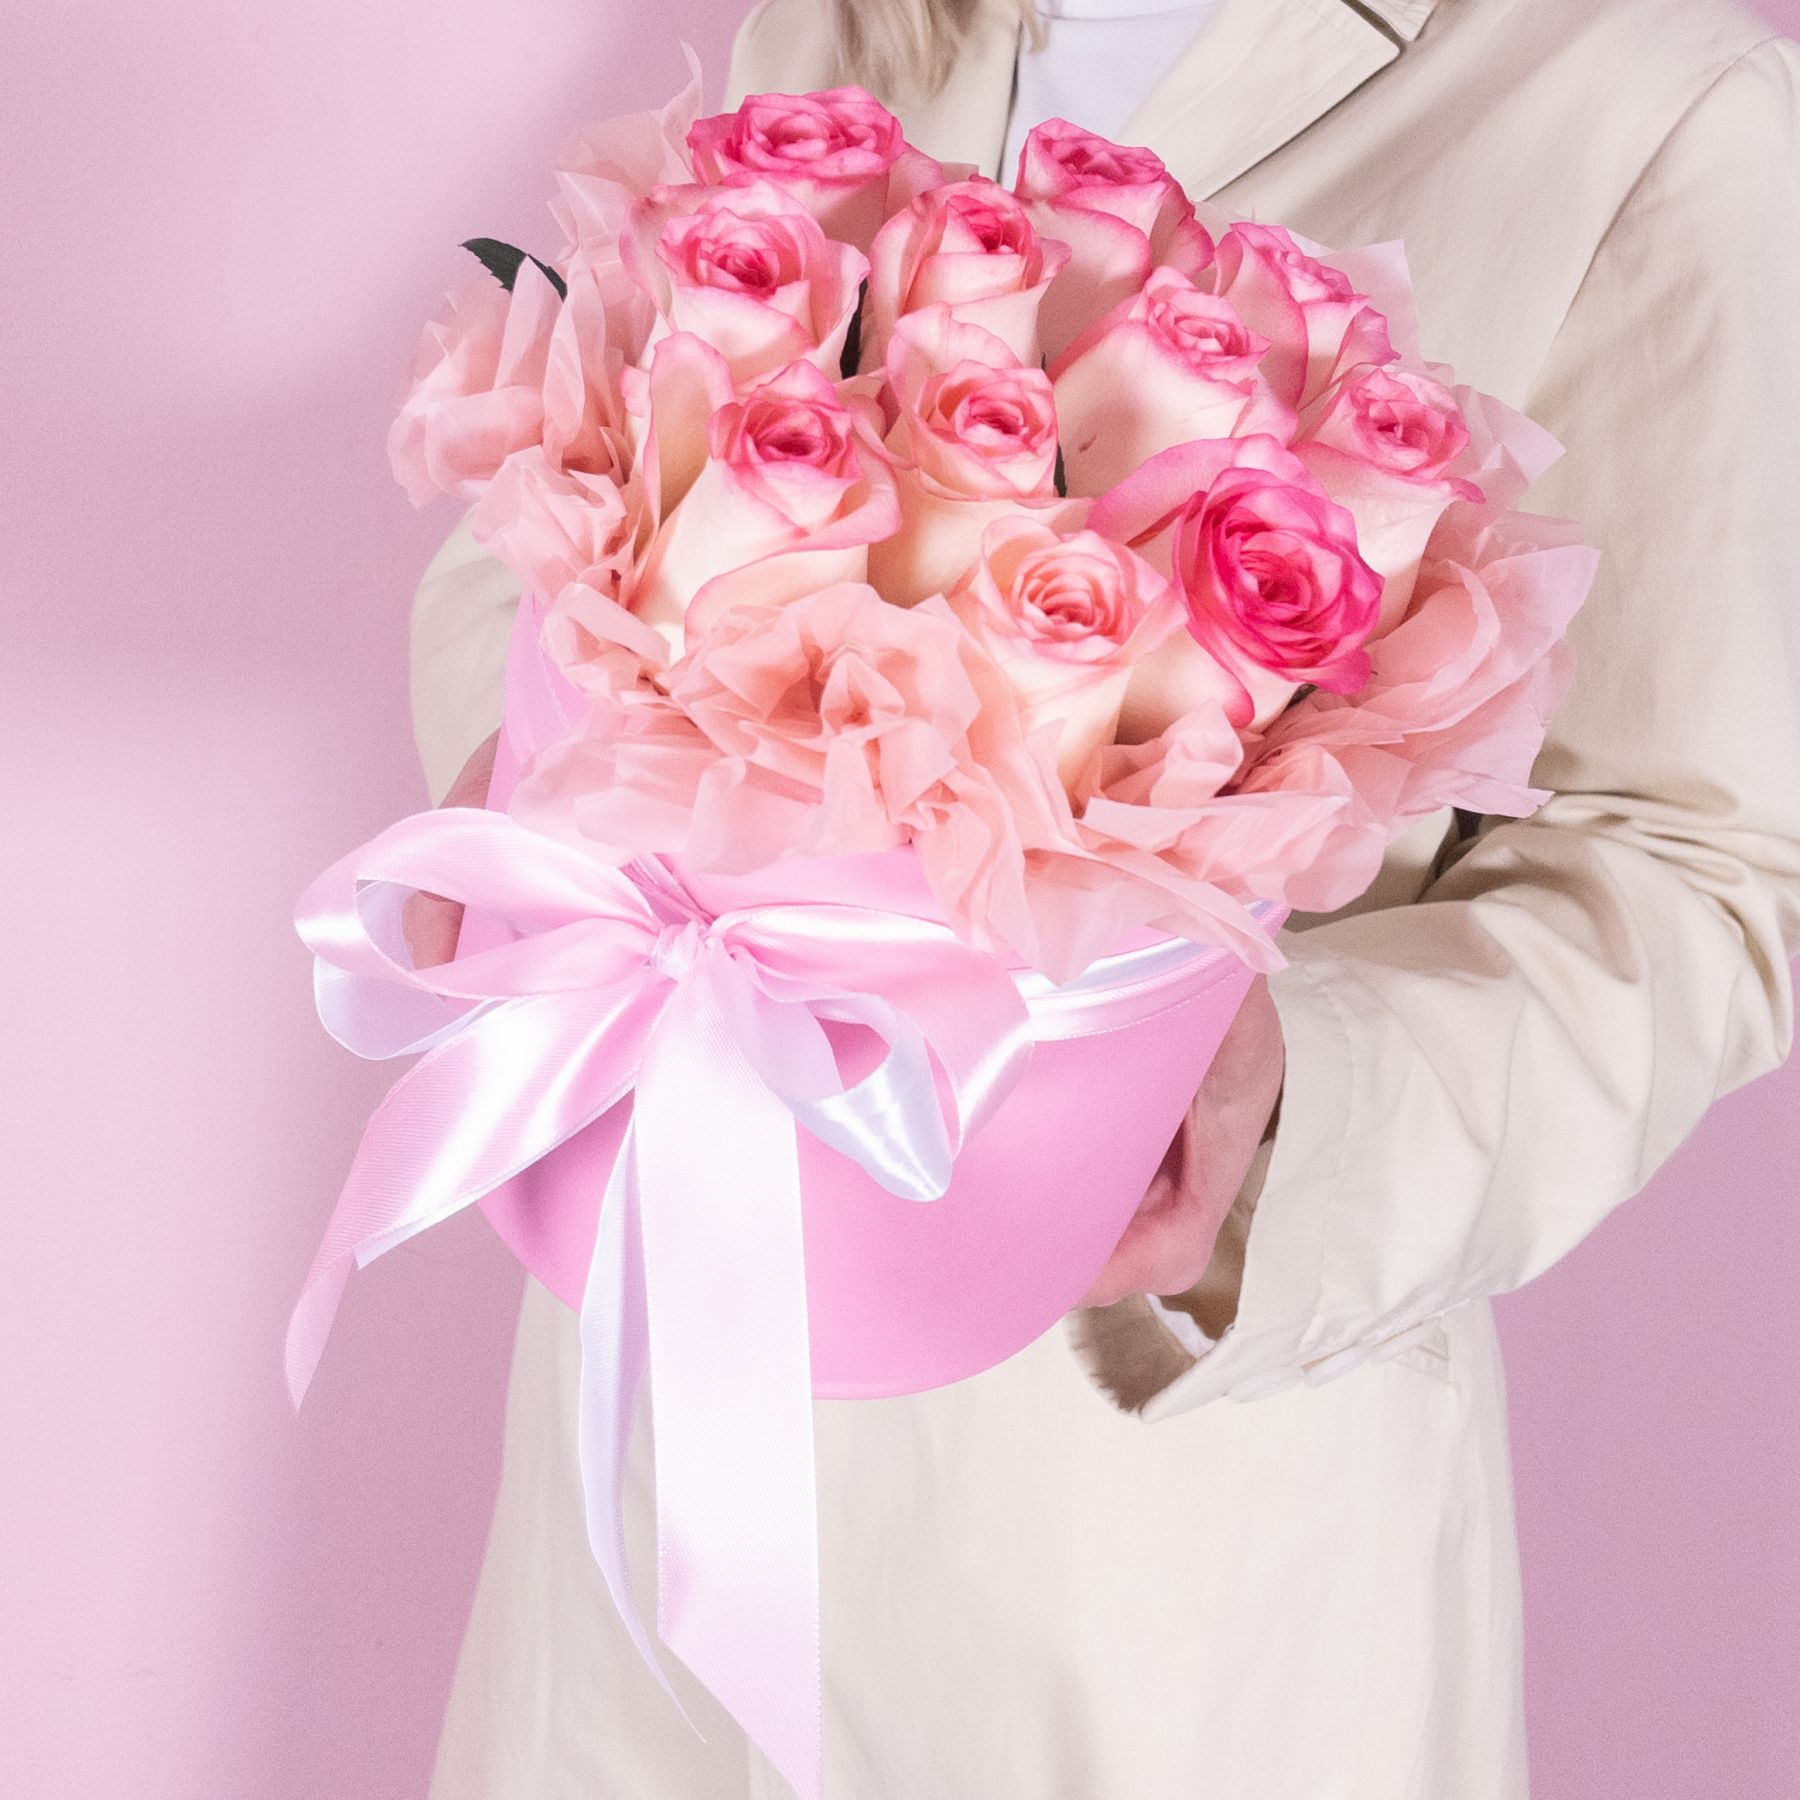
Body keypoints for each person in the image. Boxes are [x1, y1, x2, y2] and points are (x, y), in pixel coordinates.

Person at [411, 0, 1800, 1794]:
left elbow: (1697, 870)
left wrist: (1285, 1090)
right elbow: (579, 496)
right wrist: (529, 804)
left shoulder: (1651, 100)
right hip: (657, 1410)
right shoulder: (857, 21)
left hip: (1141, 1543)